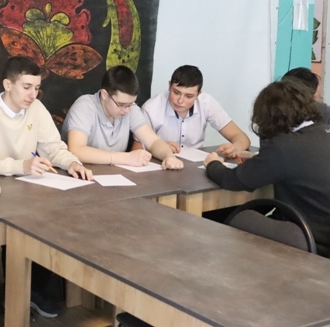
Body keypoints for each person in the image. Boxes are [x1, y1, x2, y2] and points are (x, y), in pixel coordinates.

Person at [0, 56, 91, 320]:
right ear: (8, 85)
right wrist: (20, 166)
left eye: (36, 88)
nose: (33, 94)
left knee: (44, 230)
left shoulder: (36, 109)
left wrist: (72, 162)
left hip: (26, 195)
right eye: (26, 87)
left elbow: (54, 147)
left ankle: (30, 293)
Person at [204, 79, 330, 257]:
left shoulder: (284, 146)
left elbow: (234, 180)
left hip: (313, 242)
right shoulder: (322, 132)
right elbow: (305, 164)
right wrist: (259, 158)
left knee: (241, 220)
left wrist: (212, 163)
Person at [63, 65, 183, 170]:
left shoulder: (130, 108)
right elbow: (76, 150)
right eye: (121, 104)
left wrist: (169, 156)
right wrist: (126, 158)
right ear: (105, 95)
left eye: (130, 104)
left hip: (112, 175)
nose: (126, 110)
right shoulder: (85, 106)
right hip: (80, 174)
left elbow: (153, 141)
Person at [137, 65, 250, 157]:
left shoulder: (206, 103)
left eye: (189, 96)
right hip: (162, 164)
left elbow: (241, 137)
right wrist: (160, 148)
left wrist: (235, 148)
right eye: (176, 92)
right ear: (169, 86)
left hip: (195, 166)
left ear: (198, 94)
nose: (180, 100)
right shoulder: (151, 108)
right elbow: (137, 149)